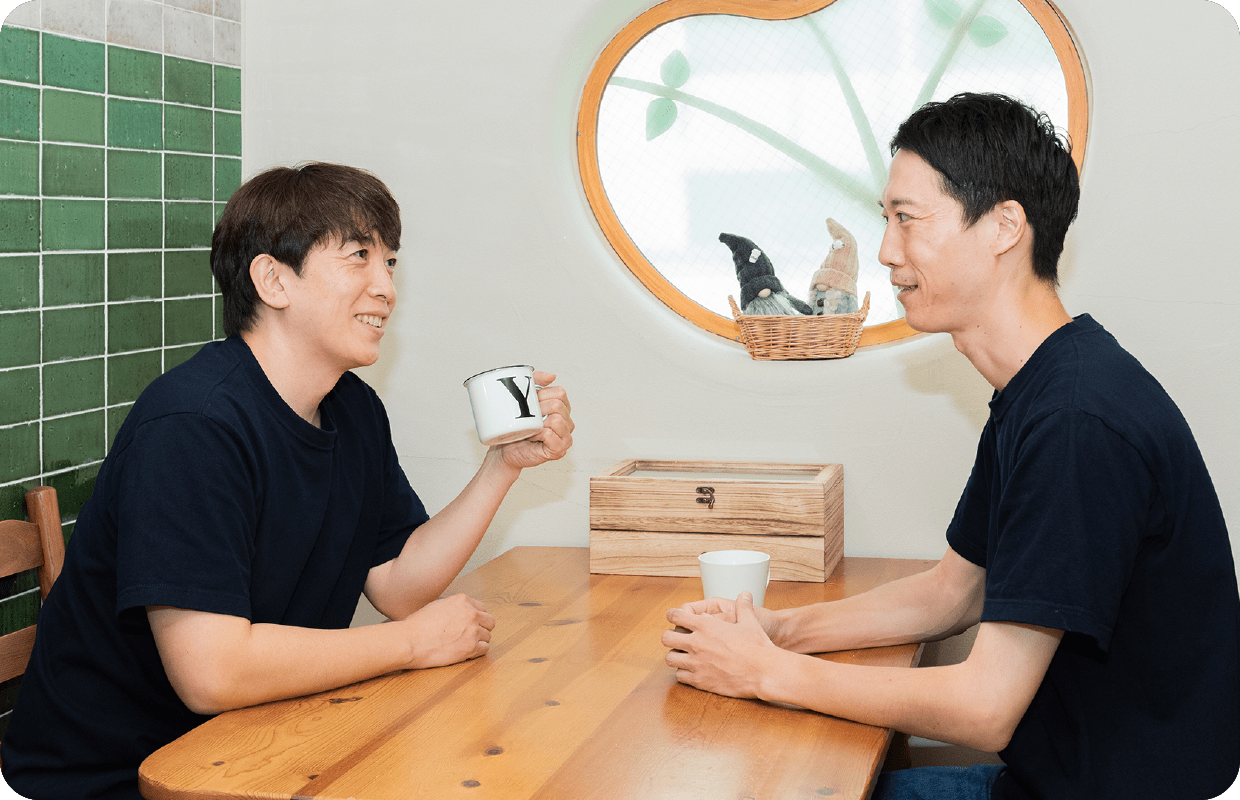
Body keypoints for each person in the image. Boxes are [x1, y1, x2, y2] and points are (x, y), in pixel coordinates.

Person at [663, 93, 1240, 800]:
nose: (885, 251)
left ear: (1004, 226)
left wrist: (764, 672)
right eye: (886, 220)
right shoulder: (1041, 385)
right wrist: (780, 630)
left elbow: (985, 709)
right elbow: (953, 592)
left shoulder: (1074, 422)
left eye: (906, 218)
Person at [0, 163, 575, 800]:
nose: (386, 287)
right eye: (359, 257)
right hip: (117, 778)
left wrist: (502, 466)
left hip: (257, 743)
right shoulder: (193, 426)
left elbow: (399, 584)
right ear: (274, 280)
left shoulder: (352, 407)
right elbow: (212, 673)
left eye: (390, 262)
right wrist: (411, 644)